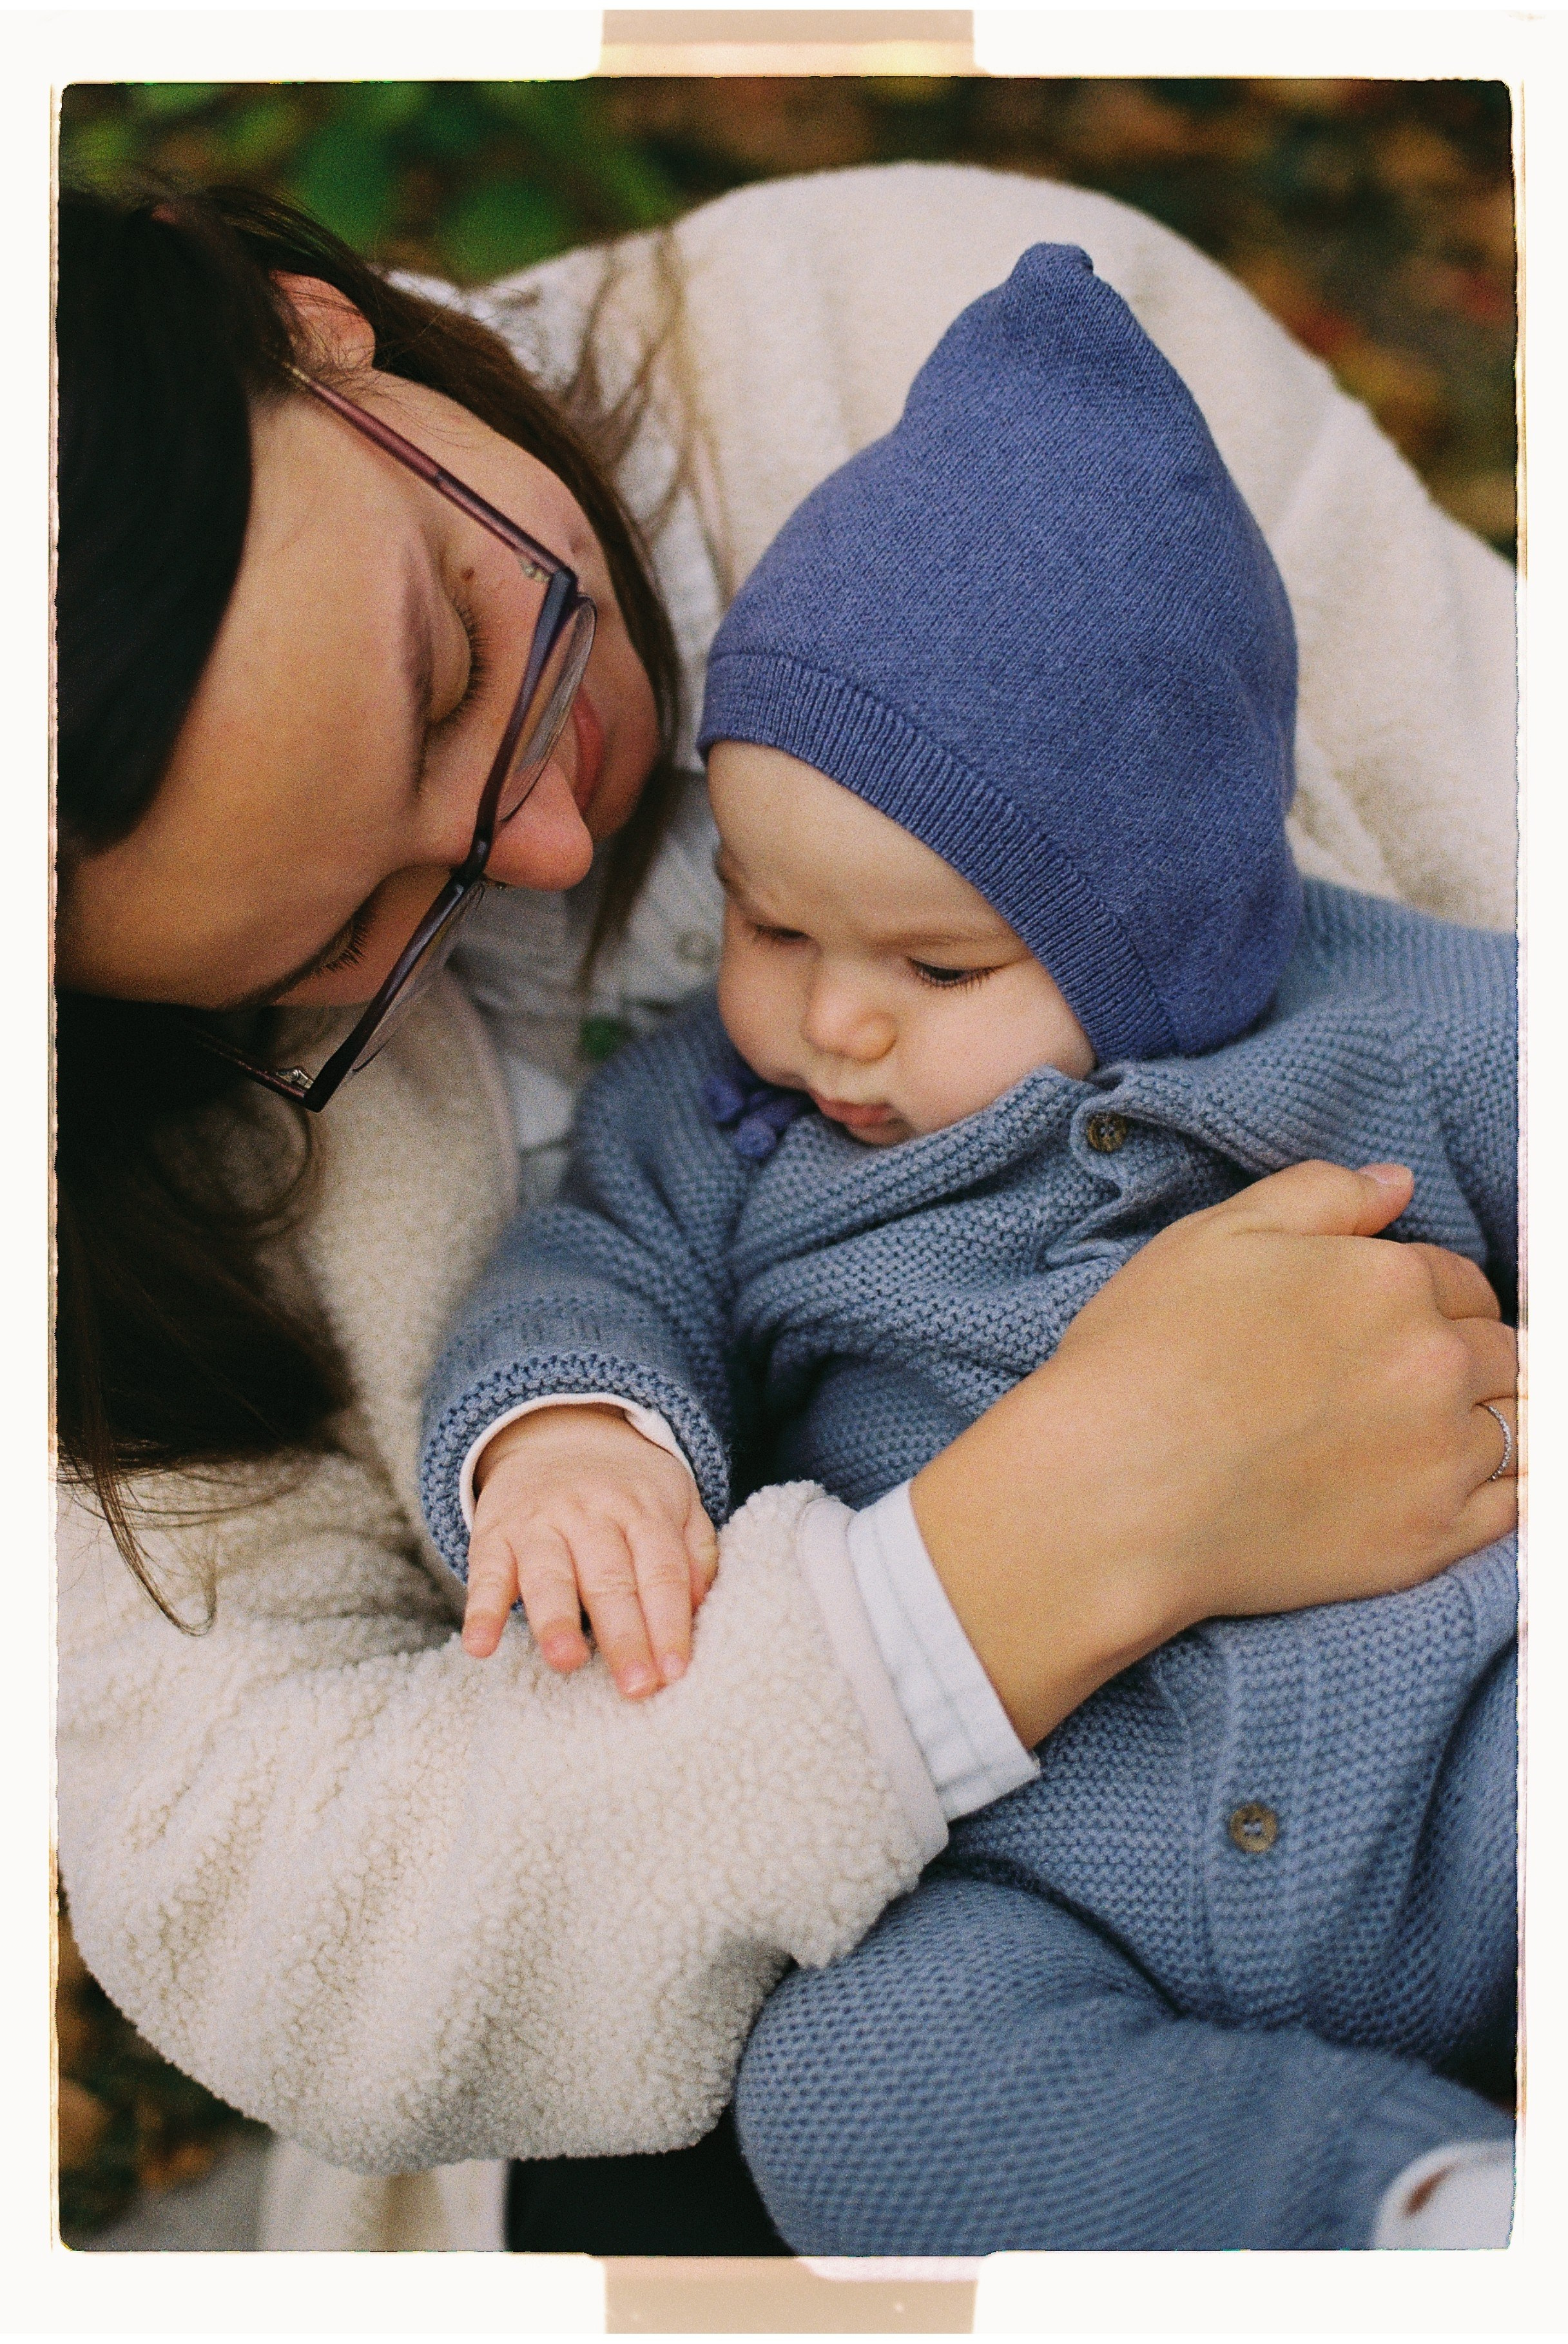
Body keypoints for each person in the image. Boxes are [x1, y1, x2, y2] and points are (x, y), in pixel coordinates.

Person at [53, 170, 1518, 2256]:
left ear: (313, 327)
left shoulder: (909, 350)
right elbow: (276, 1894)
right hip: (968, 1906)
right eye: (347, 933)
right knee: (863, 2106)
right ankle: (1410, 2227)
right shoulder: (690, 1128)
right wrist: (993, 1546)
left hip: (1451, 1687)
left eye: (465, 658)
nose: (545, 846)